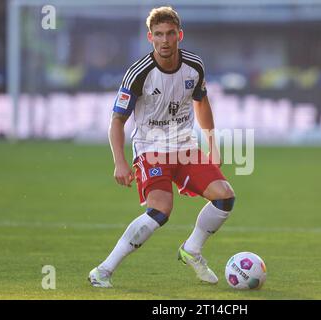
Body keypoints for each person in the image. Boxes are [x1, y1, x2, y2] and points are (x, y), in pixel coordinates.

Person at [88, 6, 235, 288]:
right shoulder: (138, 74)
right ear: (150, 37)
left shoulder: (195, 66)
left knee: (225, 197)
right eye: (158, 35)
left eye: (170, 34)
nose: (164, 40)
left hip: (184, 147)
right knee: (160, 211)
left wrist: (212, 142)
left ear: (179, 35)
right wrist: (119, 162)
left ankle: (192, 250)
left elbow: (201, 101)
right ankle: (103, 271)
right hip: (151, 149)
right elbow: (117, 120)